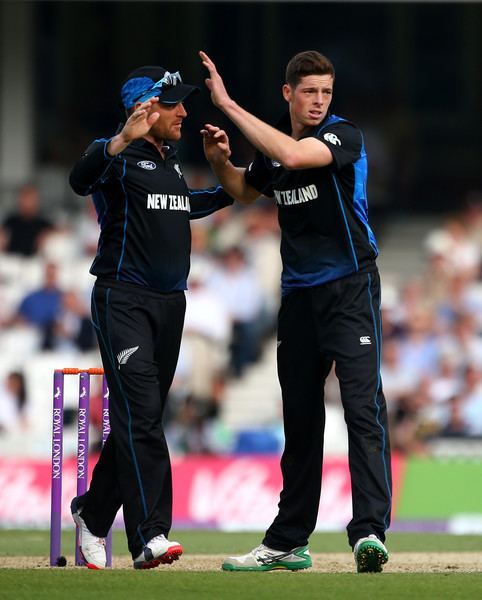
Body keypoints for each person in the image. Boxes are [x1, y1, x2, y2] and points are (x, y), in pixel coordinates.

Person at [199, 50, 392, 573]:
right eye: (310, 92)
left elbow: (297, 156)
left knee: (361, 408)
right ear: (289, 93)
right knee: (300, 422)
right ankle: (288, 541)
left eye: (326, 92)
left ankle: (369, 531)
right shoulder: (276, 149)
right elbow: (244, 189)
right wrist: (220, 158)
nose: (319, 101)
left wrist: (228, 106)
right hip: (300, 298)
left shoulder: (341, 136)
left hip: (350, 289)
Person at [68, 64, 233, 570]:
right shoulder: (116, 156)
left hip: (170, 302)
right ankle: (150, 535)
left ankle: (92, 515)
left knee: (139, 422)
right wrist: (120, 139)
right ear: (145, 109)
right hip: (124, 298)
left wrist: (236, 179)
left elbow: (186, 204)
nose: (184, 111)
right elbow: (80, 179)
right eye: (174, 104)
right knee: (140, 417)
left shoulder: (171, 160)